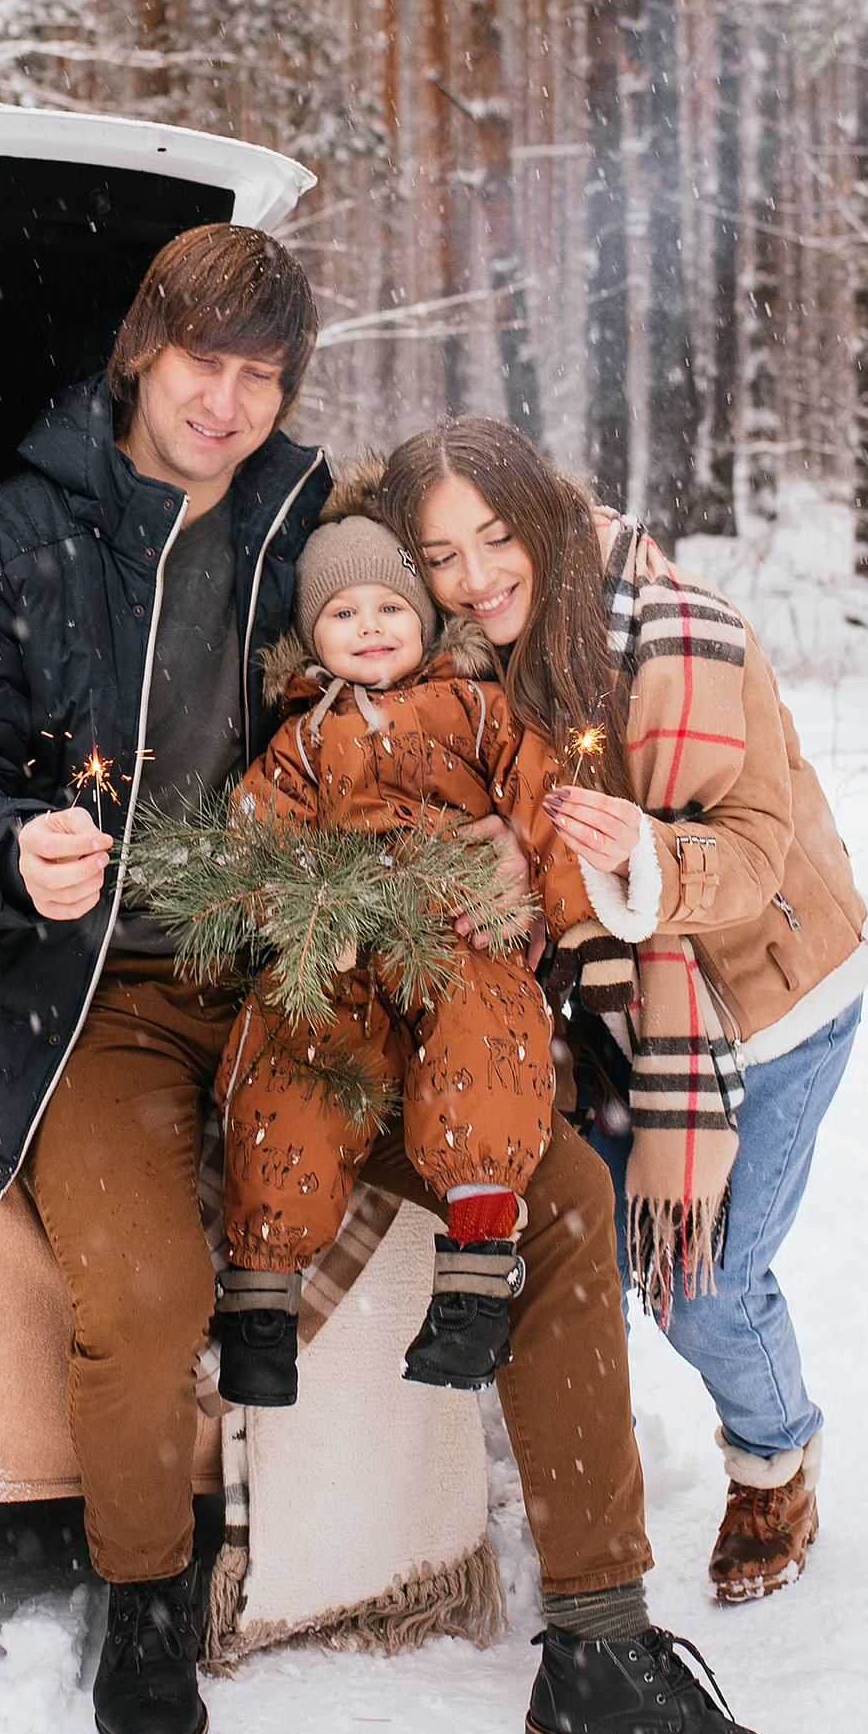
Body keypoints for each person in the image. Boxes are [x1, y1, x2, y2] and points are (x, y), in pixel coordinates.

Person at [0, 226, 812, 1734]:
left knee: (565, 1205)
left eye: (262, 375)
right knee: (147, 1286)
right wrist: (3, 854)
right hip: (96, 988)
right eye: (201, 366)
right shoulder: (1, 546)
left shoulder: (317, 521)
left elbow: (484, 553)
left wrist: (524, 802)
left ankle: (598, 1645)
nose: (229, 404)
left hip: (342, 966)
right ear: (138, 355)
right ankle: (148, 1592)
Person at [381, 420, 868, 1606]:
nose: (474, 577)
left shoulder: (683, 641)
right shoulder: (453, 663)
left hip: (766, 1000)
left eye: (495, 538)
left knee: (704, 1285)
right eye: (439, 555)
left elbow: (753, 852)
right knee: (575, 1242)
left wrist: (646, 859)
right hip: (606, 1012)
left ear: (544, 517)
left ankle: (775, 1461)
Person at [210, 497, 662, 1409]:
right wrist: (290, 905)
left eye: (389, 607)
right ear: (310, 637)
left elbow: (544, 800)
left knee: (487, 1043)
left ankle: (473, 1284)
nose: (370, 628)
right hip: (342, 946)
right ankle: (261, 1305)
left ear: (426, 620)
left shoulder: (476, 705)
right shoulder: (300, 739)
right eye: (342, 614)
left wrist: (576, 924)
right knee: (293, 1067)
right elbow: (250, 839)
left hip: (461, 926)